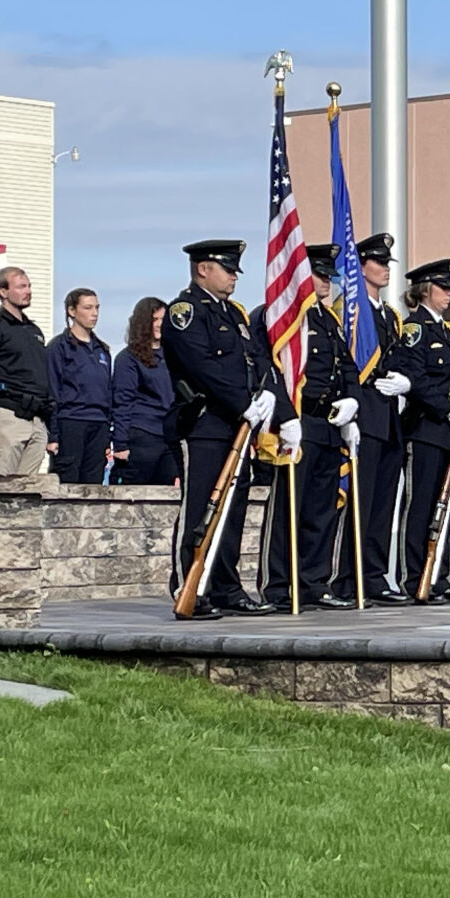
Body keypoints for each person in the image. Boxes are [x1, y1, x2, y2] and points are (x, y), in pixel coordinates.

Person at [162, 239, 298, 619]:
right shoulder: (186, 311)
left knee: (232, 511)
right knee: (201, 508)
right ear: (203, 269)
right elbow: (202, 367)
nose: (234, 277)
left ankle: (225, 586)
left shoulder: (235, 314)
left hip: (240, 427)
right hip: (204, 424)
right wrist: (244, 404)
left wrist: (281, 412)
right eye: (227, 269)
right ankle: (190, 585)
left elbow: (260, 362)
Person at [254, 242, 361, 612]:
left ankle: (314, 582)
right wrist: (285, 416)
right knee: (289, 508)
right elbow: (270, 370)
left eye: (330, 276)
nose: (326, 282)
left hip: (327, 425)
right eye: (319, 275)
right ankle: (279, 586)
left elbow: (347, 367)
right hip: (297, 421)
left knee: (321, 510)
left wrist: (353, 401)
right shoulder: (282, 315)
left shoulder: (328, 319)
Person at [394, 258, 450, 604]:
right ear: (425, 289)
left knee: (443, 508)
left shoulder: (447, 333)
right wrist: (449, 412)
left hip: (449, 432)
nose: (449, 294)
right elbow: (417, 380)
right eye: (444, 288)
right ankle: (414, 576)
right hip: (425, 429)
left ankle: (437, 575)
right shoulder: (415, 328)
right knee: (421, 506)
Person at [331, 232, 411, 606]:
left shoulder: (390, 316)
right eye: (379, 264)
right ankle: (348, 576)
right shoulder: (350, 310)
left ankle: (375, 575)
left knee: (382, 504)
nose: (386, 270)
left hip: (389, 418)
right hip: (364, 414)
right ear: (361, 266)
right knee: (359, 502)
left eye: (387, 264)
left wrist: (404, 382)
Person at [0, 266, 55, 475]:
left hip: (37, 420)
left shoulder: (33, 331)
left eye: (29, 286)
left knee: (28, 495)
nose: (28, 291)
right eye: (21, 287)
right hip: (7, 416)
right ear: (3, 292)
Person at [46, 288, 115, 484]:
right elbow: (52, 390)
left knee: (93, 484)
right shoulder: (59, 347)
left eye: (96, 308)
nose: (94, 313)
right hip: (70, 421)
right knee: (67, 481)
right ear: (72, 311)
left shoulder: (103, 350)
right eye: (87, 307)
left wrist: (108, 430)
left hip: (99, 424)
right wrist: (53, 435)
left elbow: (107, 391)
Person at [110, 297, 179, 485]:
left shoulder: (174, 354)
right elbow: (122, 402)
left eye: (163, 320)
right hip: (142, 435)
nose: (159, 325)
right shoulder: (128, 359)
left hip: (169, 436)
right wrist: (120, 443)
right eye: (154, 320)